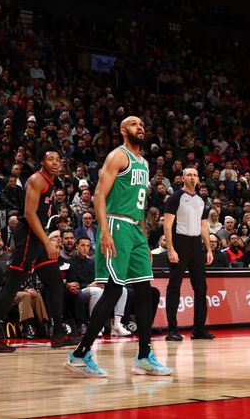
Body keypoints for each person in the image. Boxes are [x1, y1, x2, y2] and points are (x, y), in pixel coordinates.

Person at [64, 116, 172, 377]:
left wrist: (143, 235)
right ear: (124, 130)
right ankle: (80, 354)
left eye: (142, 124)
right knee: (113, 291)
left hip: (135, 229)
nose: (141, 127)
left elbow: (138, 201)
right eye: (135, 124)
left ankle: (144, 356)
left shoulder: (144, 164)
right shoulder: (117, 156)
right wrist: (103, 232)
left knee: (146, 292)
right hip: (115, 225)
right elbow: (100, 194)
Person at [0, 146, 79, 352]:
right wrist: (46, 242)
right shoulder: (37, 179)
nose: (55, 162)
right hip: (28, 237)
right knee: (13, 285)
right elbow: (30, 214)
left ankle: (59, 333)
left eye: (58, 159)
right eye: (50, 158)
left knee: (54, 281)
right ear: (42, 162)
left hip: (37, 236)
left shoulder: (53, 182)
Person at [163, 167, 215, 342]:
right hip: (180, 242)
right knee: (174, 286)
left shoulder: (201, 201)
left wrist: (208, 249)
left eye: (195, 175)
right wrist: (170, 249)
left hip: (196, 245)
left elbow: (203, 227)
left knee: (201, 288)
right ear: (183, 178)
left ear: (198, 179)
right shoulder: (175, 197)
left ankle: (199, 329)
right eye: (189, 175)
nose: (192, 177)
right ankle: (172, 329)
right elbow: (168, 225)